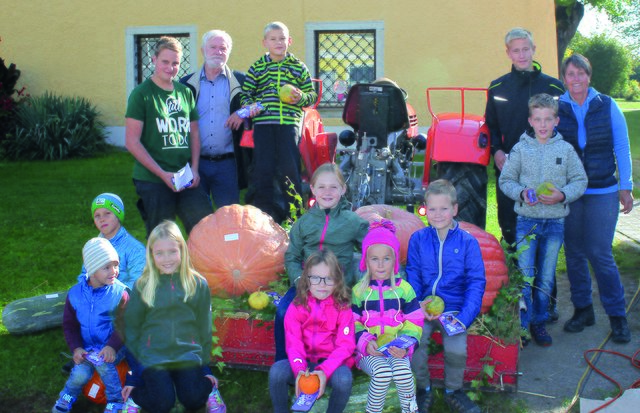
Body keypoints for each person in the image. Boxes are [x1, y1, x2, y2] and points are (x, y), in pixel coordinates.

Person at [485, 27, 565, 320]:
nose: (521, 54)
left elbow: (563, 129)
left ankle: (547, 302)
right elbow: (490, 127)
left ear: (533, 49)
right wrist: (496, 151)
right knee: (513, 235)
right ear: (508, 53)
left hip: (546, 175)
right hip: (512, 175)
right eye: (515, 50)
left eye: (525, 49)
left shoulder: (554, 88)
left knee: (545, 237)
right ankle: (520, 302)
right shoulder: (497, 88)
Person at [556, 54, 634, 344]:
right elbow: (544, 142)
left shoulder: (607, 105)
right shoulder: (558, 107)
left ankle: (617, 316)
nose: (576, 79)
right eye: (570, 74)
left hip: (603, 190)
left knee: (599, 253)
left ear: (589, 76)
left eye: (581, 73)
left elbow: (622, 147)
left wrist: (625, 186)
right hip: (571, 193)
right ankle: (583, 310)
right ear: (564, 78)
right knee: (574, 252)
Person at [499, 94, 587, 346]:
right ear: (530, 120)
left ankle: (540, 320)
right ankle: (523, 325)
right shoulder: (520, 149)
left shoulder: (566, 150)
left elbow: (580, 181)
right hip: (527, 221)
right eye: (538, 119)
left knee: (546, 278)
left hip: (555, 224)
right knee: (526, 276)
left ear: (556, 120)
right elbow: (506, 180)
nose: (543, 124)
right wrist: (521, 193)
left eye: (548, 119)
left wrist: (562, 195)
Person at [122, 221, 222, 413]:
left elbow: (204, 329)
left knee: (192, 400)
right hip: (153, 356)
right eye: (159, 253)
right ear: (151, 255)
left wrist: (205, 370)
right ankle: (135, 399)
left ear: (182, 251)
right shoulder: (143, 285)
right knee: (163, 403)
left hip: (187, 353)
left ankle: (210, 392)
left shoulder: (198, 284)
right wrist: (133, 376)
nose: (166, 258)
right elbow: (132, 331)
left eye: (172, 251)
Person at [406, 179, 485, 413]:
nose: (438, 214)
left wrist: (465, 317)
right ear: (425, 209)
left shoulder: (468, 242)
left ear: (455, 209)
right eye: (432, 209)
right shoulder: (418, 240)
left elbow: (476, 282)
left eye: (444, 208)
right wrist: (418, 306)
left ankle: (453, 391)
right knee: (415, 343)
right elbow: (413, 274)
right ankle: (423, 389)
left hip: (454, 309)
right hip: (425, 306)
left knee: (456, 350)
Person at [275, 163, 369, 361]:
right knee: (284, 312)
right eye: (321, 187)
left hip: (336, 286)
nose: (327, 192)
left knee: (347, 318)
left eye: (333, 187)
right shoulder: (304, 223)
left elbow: (371, 250)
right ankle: (286, 365)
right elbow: (292, 255)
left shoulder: (353, 222)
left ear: (343, 190)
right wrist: (299, 278)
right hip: (307, 283)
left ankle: (342, 363)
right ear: (313, 189)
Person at [125, 36, 212, 237]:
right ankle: (161, 269)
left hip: (185, 176)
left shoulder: (184, 93)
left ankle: (199, 269)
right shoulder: (141, 94)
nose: (170, 67)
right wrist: (162, 174)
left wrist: (196, 170)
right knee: (161, 235)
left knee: (203, 229)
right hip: (153, 178)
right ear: (154, 59)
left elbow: (194, 133)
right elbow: (131, 141)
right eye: (165, 61)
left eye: (175, 63)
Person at [240, 21, 317, 223]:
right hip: (263, 127)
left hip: (289, 126)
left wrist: (300, 97)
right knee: (263, 169)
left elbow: (311, 96)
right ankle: (263, 216)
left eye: (282, 38)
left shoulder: (298, 67)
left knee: (290, 169)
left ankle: (295, 217)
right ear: (265, 42)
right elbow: (245, 96)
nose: (278, 42)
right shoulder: (257, 67)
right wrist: (252, 107)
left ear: (289, 41)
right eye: (273, 39)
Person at [269, 250, 355, 413]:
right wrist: (300, 370)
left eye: (328, 278)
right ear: (306, 280)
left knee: (344, 379)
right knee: (277, 372)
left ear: (337, 281)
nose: (322, 284)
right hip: (304, 363)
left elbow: (346, 346)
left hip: (330, 364)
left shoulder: (343, 308)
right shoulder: (296, 307)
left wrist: (324, 371)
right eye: (315, 278)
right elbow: (293, 343)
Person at [352, 220, 423, 413]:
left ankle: (410, 409)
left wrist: (405, 346)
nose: (381, 264)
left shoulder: (404, 290)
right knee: (382, 374)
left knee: (404, 375)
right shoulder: (359, 291)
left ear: (395, 261)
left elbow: (414, 322)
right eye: (374, 259)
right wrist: (365, 342)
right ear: (366, 261)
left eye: (386, 258)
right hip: (369, 351)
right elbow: (352, 323)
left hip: (395, 349)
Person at [52, 238, 129, 413]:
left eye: (115, 265)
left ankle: (116, 401)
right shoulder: (75, 295)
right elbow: (69, 325)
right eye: (107, 267)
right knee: (80, 373)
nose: (114, 271)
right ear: (92, 269)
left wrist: (111, 346)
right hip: (88, 348)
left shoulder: (120, 293)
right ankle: (66, 397)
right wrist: (76, 348)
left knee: (103, 364)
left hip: (116, 346)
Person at [180, 29, 251, 208]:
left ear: (229, 52)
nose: (218, 52)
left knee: (228, 219)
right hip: (196, 163)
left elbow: (262, 103)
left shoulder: (242, 81)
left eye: (223, 48)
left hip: (228, 165)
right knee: (197, 219)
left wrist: (242, 113)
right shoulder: (185, 84)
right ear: (203, 50)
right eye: (213, 47)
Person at [80, 193, 145, 289]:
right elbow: (84, 276)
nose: (102, 219)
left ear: (118, 216)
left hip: (124, 301)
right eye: (97, 216)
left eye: (107, 213)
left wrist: (109, 295)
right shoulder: (93, 247)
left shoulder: (135, 249)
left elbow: (138, 284)